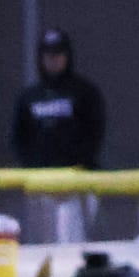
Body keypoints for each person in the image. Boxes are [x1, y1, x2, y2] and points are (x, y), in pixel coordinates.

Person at [11, 27, 105, 242]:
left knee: (71, 241)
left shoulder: (84, 92)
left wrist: (77, 164)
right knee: (42, 242)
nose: (53, 60)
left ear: (67, 56)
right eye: (48, 55)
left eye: (58, 54)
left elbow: (95, 134)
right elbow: (19, 139)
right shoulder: (29, 97)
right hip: (40, 183)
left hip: (76, 183)